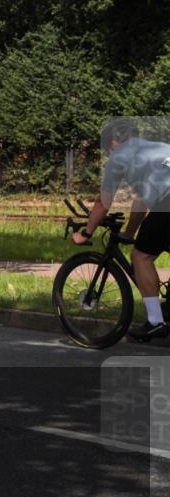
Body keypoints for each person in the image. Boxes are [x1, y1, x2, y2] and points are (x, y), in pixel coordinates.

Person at [71, 119, 170, 341]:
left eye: (108, 148)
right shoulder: (158, 148)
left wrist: (86, 233)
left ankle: (156, 322)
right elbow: (142, 201)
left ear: (114, 143)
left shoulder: (119, 157)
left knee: (141, 256)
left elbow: (103, 203)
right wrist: (130, 232)